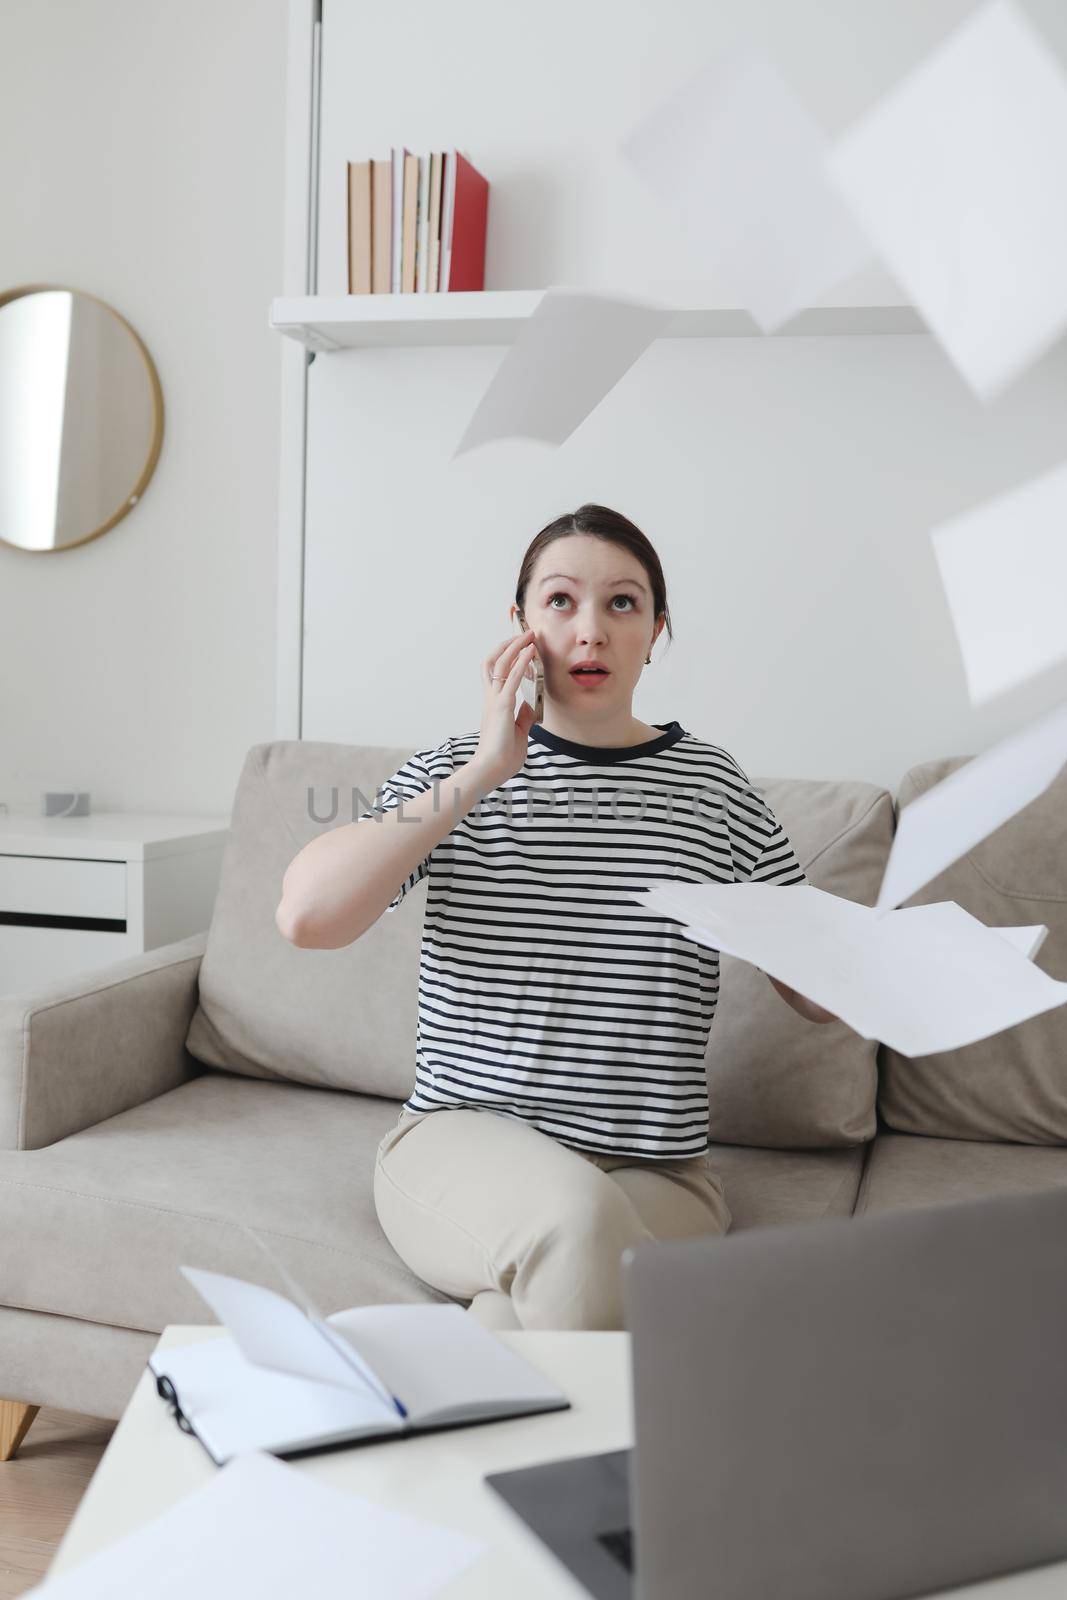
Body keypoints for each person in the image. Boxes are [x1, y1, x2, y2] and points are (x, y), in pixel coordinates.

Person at [275, 504, 836, 1331]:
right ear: (521, 626)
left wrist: (898, 967)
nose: (591, 631)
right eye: (561, 601)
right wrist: (484, 768)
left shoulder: (714, 789)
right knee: (575, 1223)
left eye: (622, 604)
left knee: (517, 1311)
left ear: (655, 632)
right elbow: (308, 916)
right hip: (457, 1145)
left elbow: (817, 993)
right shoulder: (448, 777)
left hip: (659, 1174)